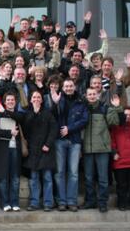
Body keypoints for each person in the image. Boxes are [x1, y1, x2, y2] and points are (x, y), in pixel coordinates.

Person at [49, 78, 88, 212]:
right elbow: (51, 117)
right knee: (59, 172)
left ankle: (71, 201)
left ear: (74, 87)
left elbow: (84, 120)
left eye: (70, 86)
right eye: (66, 86)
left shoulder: (81, 101)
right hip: (59, 141)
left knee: (73, 173)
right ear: (63, 88)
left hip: (75, 141)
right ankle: (61, 201)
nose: (68, 88)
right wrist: (55, 103)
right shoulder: (59, 99)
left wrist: (69, 129)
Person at [82, 88, 122, 213]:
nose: (92, 96)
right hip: (87, 149)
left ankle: (103, 202)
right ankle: (90, 201)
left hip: (103, 149)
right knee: (88, 178)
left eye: (94, 94)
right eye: (90, 94)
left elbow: (114, 121)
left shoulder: (105, 108)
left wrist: (116, 108)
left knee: (103, 178)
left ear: (98, 95)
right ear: (86, 96)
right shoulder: (83, 109)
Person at [24, 90, 58, 211]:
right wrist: (34, 113)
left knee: (47, 178)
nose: (36, 99)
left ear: (42, 100)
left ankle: (48, 203)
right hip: (33, 150)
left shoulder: (48, 113)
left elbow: (54, 129)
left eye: (39, 97)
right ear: (31, 100)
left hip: (46, 150)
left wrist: (48, 144)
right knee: (34, 179)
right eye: (34, 97)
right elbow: (26, 128)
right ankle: (34, 203)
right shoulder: (28, 113)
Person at [0, 92, 25, 212]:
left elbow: (19, 118)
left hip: (15, 149)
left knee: (15, 178)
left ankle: (15, 203)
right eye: (8, 100)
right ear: (4, 102)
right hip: (3, 150)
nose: (10, 102)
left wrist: (5, 112)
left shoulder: (19, 114)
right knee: (3, 178)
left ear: (15, 102)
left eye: (12, 100)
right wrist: (9, 133)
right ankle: (5, 203)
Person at [111, 107, 130, 211]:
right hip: (120, 162)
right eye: (126, 115)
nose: (127, 117)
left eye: (129, 115)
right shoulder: (116, 127)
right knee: (121, 185)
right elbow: (112, 141)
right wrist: (114, 152)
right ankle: (122, 204)